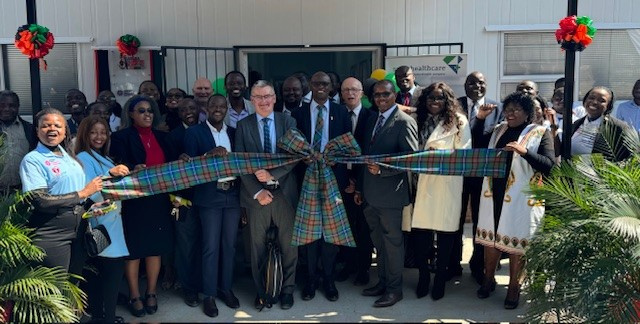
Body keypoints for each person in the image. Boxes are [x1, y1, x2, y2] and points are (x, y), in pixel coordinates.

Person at [473, 92, 556, 309]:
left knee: (516, 242)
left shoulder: (540, 132)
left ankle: (513, 288)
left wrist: (525, 151)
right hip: (493, 192)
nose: (509, 113)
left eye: (515, 109)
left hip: (521, 197)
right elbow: (476, 145)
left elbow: (549, 165)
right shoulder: (499, 130)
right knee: (491, 239)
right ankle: (488, 279)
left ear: (528, 113)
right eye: (507, 109)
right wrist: (480, 119)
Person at [354, 80, 419, 307]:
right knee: (378, 242)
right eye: (377, 95)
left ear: (395, 96)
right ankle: (382, 282)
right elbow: (365, 156)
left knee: (392, 244)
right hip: (370, 194)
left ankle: (394, 289)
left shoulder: (404, 122)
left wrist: (383, 170)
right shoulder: (372, 119)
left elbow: (411, 160)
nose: (381, 98)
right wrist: (361, 188)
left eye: (385, 94)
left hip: (391, 195)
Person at [235, 80, 298, 310]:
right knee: (256, 247)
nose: (263, 101)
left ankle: (288, 290)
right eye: (258, 97)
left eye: (267, 96)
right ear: (251, 100)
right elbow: (240, 163)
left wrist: (272, 175)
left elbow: (294, 156)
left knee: (289, 244)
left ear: (275, 98)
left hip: (284, 192)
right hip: (256, 196)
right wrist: (258, 190)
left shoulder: (288, 121)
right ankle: (262, 291)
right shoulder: (243, 125)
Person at [110, 95, 174, 317]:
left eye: (150, 111)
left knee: (154, 247)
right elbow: (116, 164)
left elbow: (173, 163)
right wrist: (130, 167)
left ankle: (152, 292)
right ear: (131, 114)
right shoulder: (121, 137)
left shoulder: (163, 137)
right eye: (142, 111)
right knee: (134, 250)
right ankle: (135, 295)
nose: (147, 114)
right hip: (134, 201)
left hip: (158, 199)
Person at [19, 108, 103, 274]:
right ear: (37, 131)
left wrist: (90, 205)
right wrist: (83, 194)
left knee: (73, 285)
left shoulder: (68, 156)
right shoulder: (33, 160)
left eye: (57, 125)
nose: (52, 129)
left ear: (65, 132)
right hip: (52, 231)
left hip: (78, 227)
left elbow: (76, 190)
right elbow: (40, 200)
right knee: (56, 289)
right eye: (46, 126)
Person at [292, 71, 351, 302]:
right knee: (311, 233)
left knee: (330, 233)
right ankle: (311, 278)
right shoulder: (298, 113)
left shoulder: (340, 112)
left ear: (331, 87)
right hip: (306, 178)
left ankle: (328, 279)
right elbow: (291, 146)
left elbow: (349, 145)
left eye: (325, 84)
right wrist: (301, 157)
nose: (320, 87)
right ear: (310, 85)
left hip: (333, 179)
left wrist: (339, 157)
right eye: (316, 83)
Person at [411, 82, 471, 300]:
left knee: (445, 235)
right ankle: (424, 276)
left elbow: (464, 153)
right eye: (430, 98)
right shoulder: (418, 119)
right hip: (420, 183)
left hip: (446, 184)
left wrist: (437, 155)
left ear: (448, 101)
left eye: (439, 98)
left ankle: (440, 281)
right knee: (421, 235)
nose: (434, 102)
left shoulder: (459, 121)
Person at [184, 94, 242, 317]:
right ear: (206, 108)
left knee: (229, 245)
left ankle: (225, 288)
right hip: (209, 196)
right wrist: (209, 155)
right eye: (213, 105)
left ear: (227, 109)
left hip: (233, 195)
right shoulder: (194, 133)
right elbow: (188, 169)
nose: (218, 109)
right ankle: (208, 294)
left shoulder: (234, 133)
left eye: (222, 106)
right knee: (210, 246)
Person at [74, 116, 130, 324]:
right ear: (85, 135)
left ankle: (102, 317)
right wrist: (110, 172)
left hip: (111, 222)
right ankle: (106, 318)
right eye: (94, 132)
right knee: (111, 276)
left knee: (102, 277)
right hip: (101, 226)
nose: (99, 137)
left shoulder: (100, 156)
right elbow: (91, 191)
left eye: (103, 132)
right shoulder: (83, 157)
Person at [454, 71, 502, 284]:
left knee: (480, 222)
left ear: (486, 85)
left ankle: (477, 264)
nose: (476, 86)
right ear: (465, 86)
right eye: (471, 82)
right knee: (455, 219)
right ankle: (452, 263)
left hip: (483, 174)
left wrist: (481, 121)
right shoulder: (455, 105)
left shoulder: (497, 107)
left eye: (481, 82)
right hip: (457, 173)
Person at [334, 77, 374, 286]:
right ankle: (348, 264)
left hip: (363, 181)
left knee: (363, 227)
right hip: (340, 180)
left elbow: (370, 154)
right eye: (346, 90)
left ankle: (363, 268)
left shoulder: (371, 117)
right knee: (344, 225)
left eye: (354, 90)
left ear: (362, 93)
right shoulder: (336, 115)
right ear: (341, 93)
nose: (350, 93)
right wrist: (344, 180)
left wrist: (357, 184)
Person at [166, 96, 201, 308]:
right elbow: (167, 171)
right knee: (185, 244)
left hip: (206, 197)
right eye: (183, 110)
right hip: (180, 198)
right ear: (178, 114)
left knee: (203, 244)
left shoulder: (206, 131)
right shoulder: (172, 137)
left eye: (192, 108)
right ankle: (188, 288)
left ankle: (203, 283)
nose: (188, 112)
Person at [569, 86, 632, 162]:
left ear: (608, 106)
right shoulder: (577, 124)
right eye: (591, 98)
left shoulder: (618, 127)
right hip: (572, 172)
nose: (595, 102)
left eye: (601, 100)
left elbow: (628, 158)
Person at [0, 90, 36, 193]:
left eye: (12, 105)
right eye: (2, 105)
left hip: (23, 189)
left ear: (18, 107)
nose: (6, 109)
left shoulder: (29, 129)